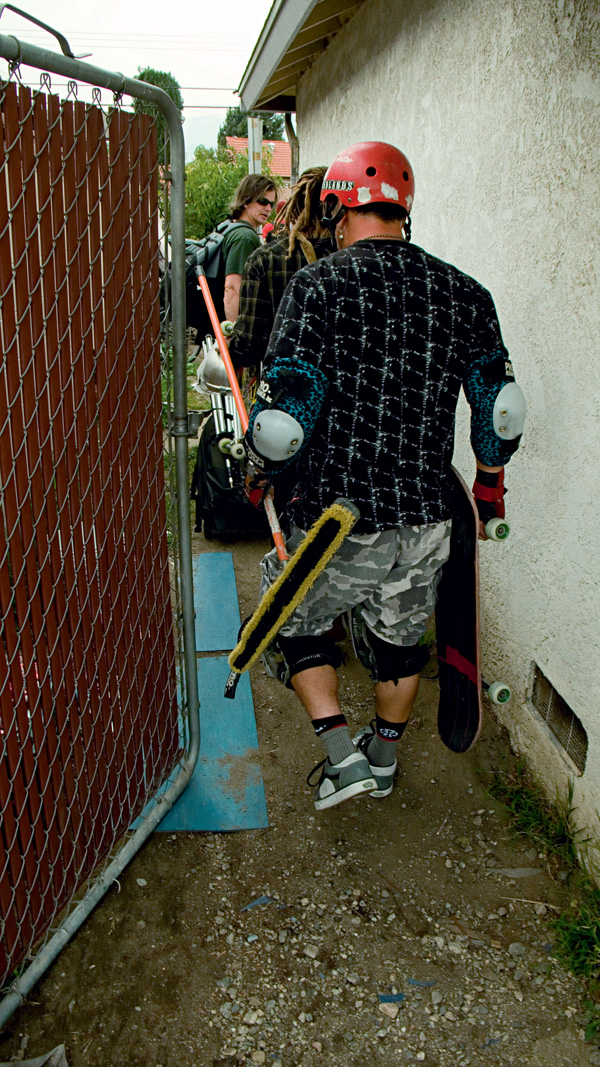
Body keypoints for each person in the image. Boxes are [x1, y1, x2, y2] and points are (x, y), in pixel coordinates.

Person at [243, 141, 526, 811]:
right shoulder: (466, 292)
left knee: (287, 618)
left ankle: (343, 760)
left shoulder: (316, 288)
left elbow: (286, 417)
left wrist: (260, 472)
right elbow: (500, 410)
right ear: (405, 210)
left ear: (339, 207)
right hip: (427, 514)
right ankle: (386, 755)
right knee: (401, 646)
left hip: (335, 518)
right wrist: (488, 490)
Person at [226, 167, 336, 370]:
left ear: (297, 205)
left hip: (283, 386)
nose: (267, 207)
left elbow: (250, 345)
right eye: (263, 202)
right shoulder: (350, 259)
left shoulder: (265, 259)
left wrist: (230, 347)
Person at [222, 174, 277, 321]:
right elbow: (233, 287)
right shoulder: (244, 237)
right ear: (246, 201)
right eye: (262, 201)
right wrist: (232, 332)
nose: (268, 208)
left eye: (271, 204)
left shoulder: (230, 227)